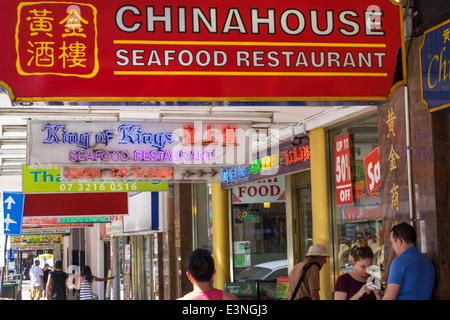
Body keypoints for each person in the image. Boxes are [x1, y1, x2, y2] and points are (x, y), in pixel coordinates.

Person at [383, 222, 435, 300]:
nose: (393, 247)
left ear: (399, 241)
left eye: (392, 242)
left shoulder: (398, 263)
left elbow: (389, 298)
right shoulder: (428, 263)